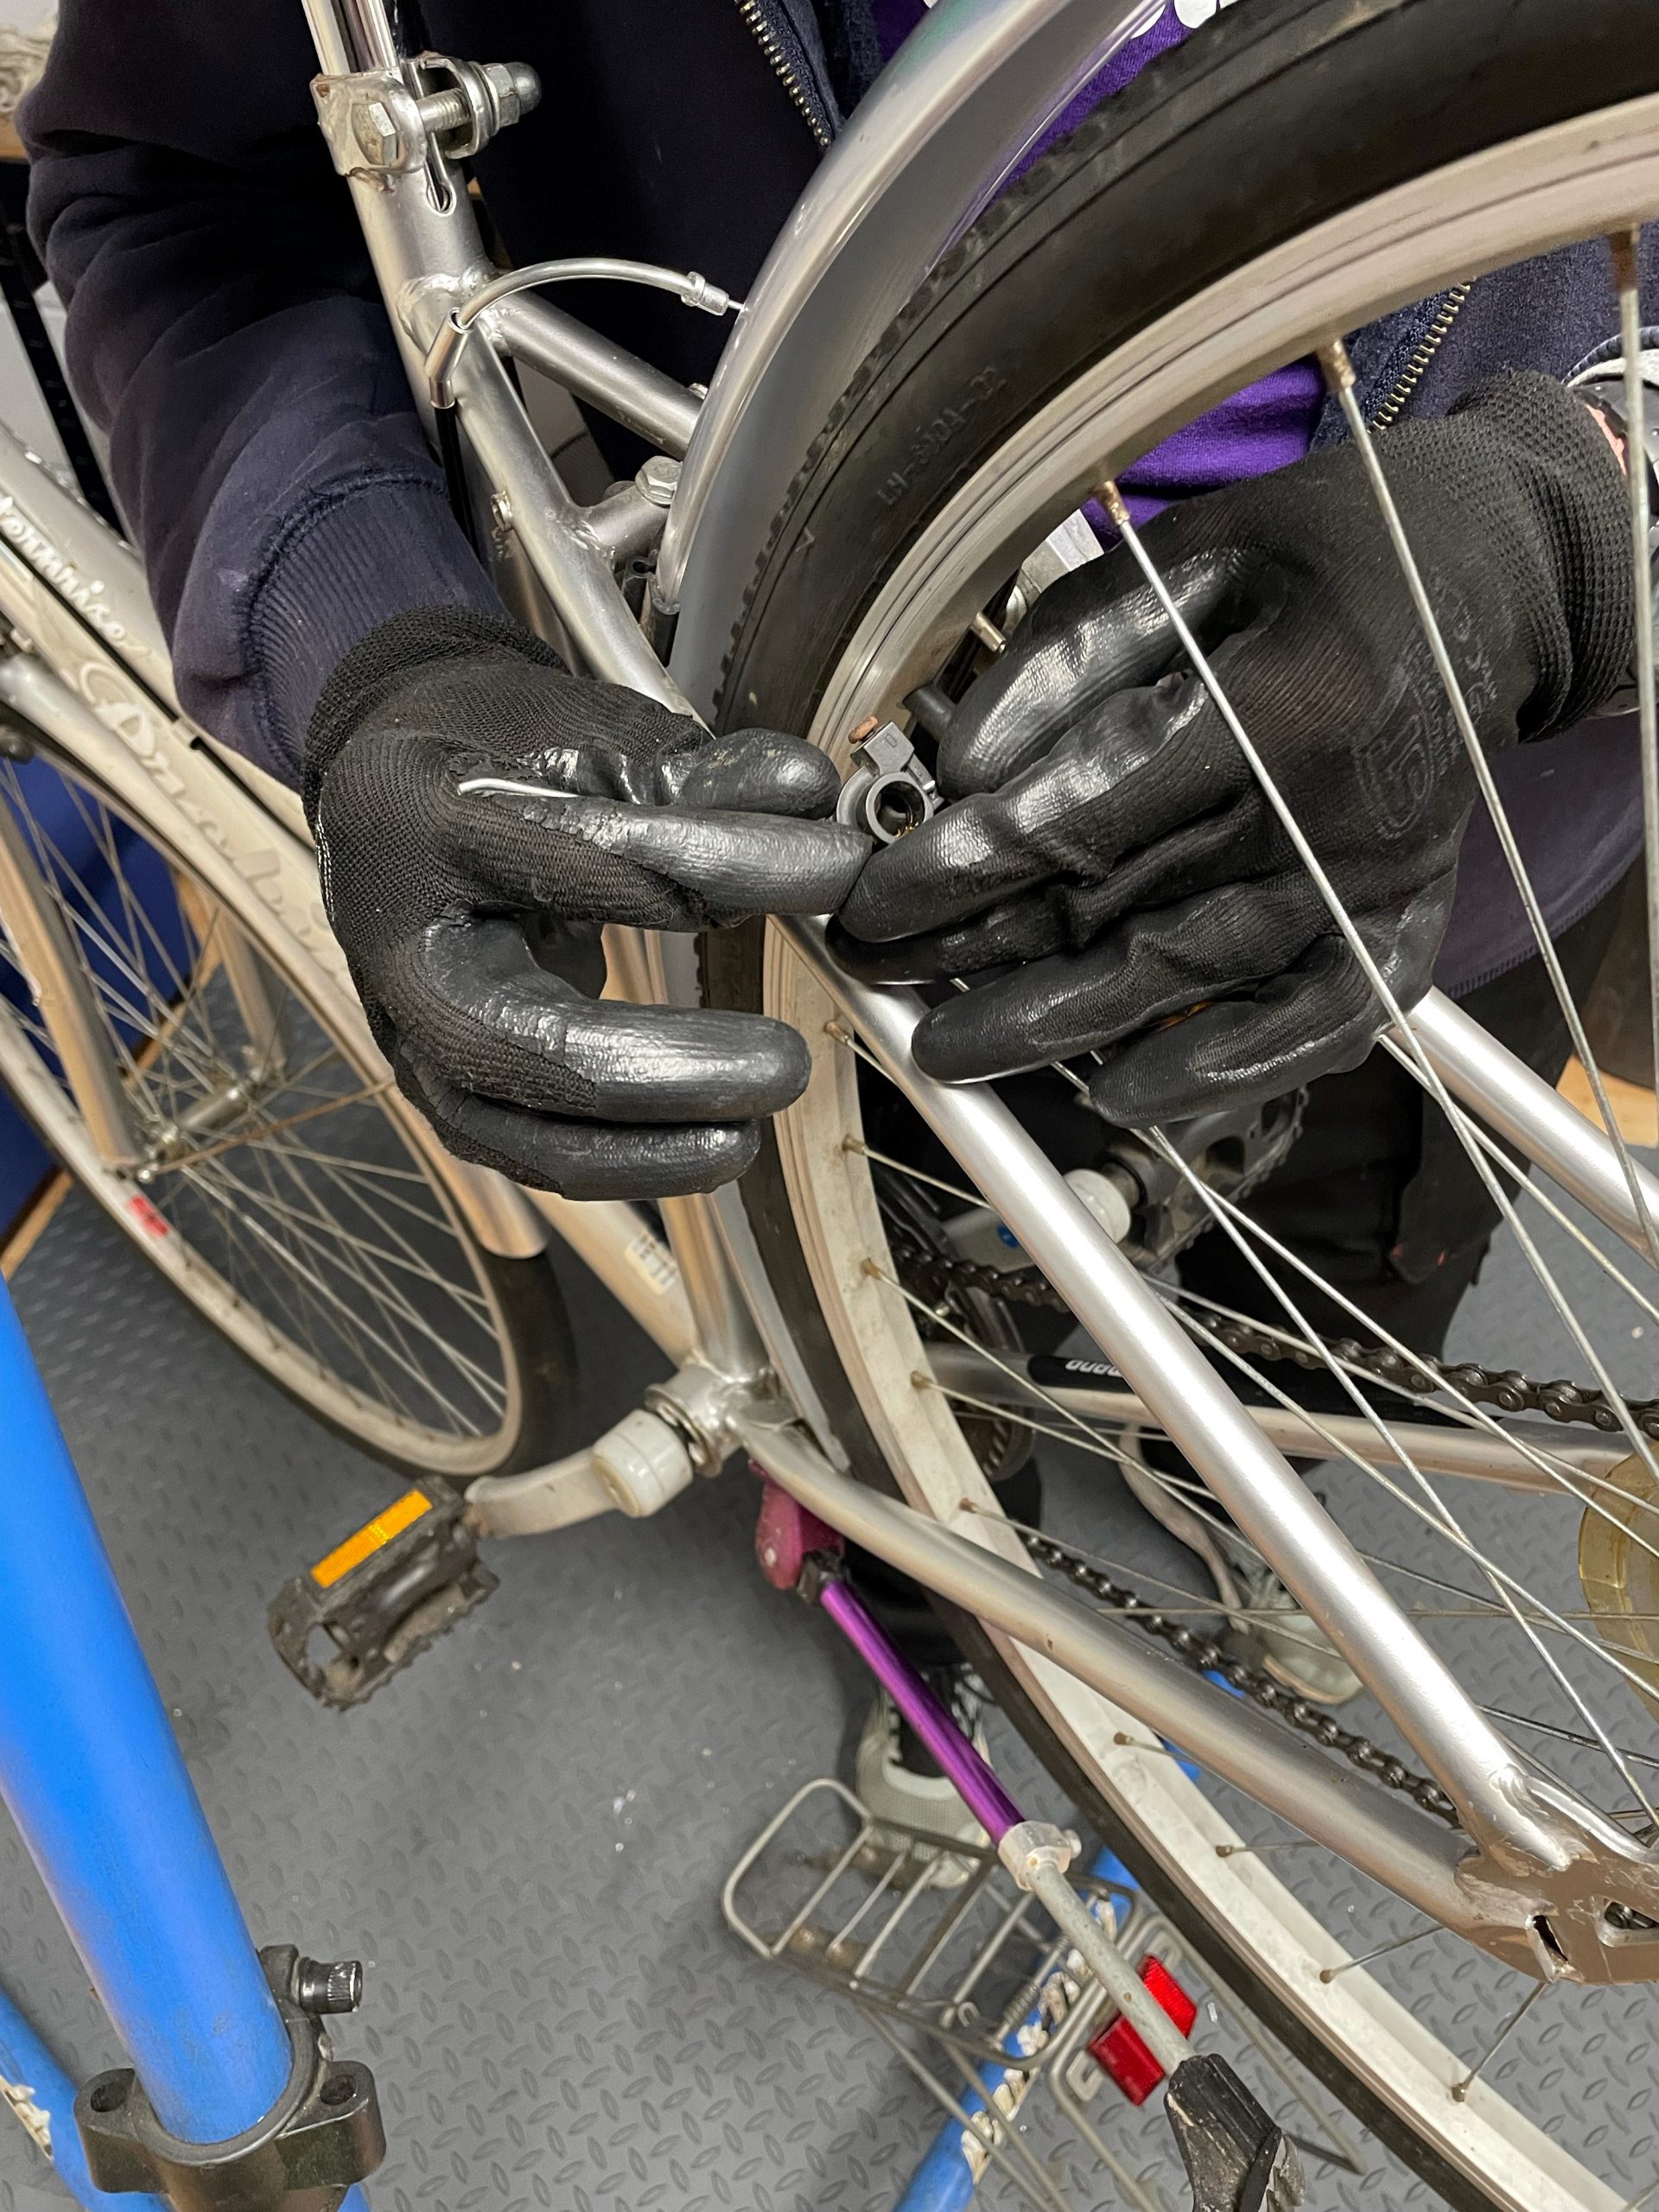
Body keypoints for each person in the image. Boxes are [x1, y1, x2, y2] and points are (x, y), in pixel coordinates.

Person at [22, 1, 1654, 1821]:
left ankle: (1260, 1508)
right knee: (907, 1354)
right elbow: (185, 193)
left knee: (1348, 1312)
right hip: (841, 898)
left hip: (1483, 856)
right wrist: (367, 625)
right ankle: (963, 1610)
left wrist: (1590, 513)